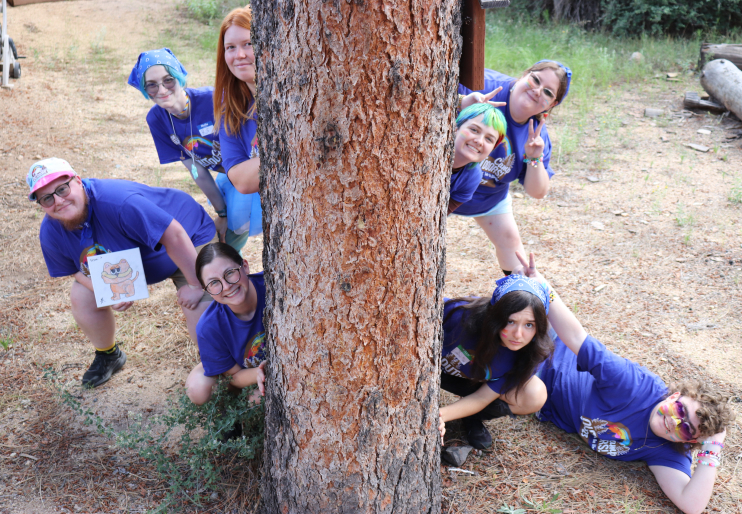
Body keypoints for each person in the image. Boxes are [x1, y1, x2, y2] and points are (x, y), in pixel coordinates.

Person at [513, 252, 733, 514]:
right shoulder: (633, 385)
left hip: (533, 397)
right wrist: (542, 285)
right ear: (676, 395)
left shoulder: (666, 449)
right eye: (682, 410)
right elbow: (575, 336)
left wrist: (714, 445)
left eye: (687, 428)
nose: (675, 422)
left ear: (691, 442)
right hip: (538, 352)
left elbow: (692, 505)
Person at [29, 157, 216, 388]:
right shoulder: (51, 231)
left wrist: (196, 285)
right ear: (40, 205)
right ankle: (108, 354)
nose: (58, 201)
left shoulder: (118, 202)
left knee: (205, 326)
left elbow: (175, 236)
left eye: (62, 188)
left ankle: (223, 372)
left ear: (77, 181)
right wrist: (109, 291)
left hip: (187, 240)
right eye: (47, 198)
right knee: (81, 295)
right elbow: (74, 270)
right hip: (134, 260)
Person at [127, 48, 262, 253]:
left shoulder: (215, 98)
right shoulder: (157, 120)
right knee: (226, 235)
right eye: (151, 86)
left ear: (180, 78)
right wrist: (222, 213)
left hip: (253, 171)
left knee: (239, 223)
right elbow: (197, 171)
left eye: (168, 80)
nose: (162, 90)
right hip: (230, 178)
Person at [454, 61, 572, 274]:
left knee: (518, 259)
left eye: (547, 92)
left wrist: (534, 158)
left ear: (551, 105)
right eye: (535, 80)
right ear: (523, 75)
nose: (537, 91)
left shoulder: (536, 135)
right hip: (443, 188)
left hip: (488, 199)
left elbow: (537, 191)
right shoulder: (482, 84)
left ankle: (531, 301)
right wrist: (462, 102)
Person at [438, 273, 553, 449]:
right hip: (429, 371)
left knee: (535, 394)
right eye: (510, 321)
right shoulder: (461, 316)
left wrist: (438, 417)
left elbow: (482, 397)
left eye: (529, 324)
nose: (518, 334)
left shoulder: (529, 355)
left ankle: (471, 416)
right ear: (495, 316)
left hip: (472, 383)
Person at [185, 243, 266, 406]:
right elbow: (234, 377)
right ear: (207, 291)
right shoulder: (208, 327)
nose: (227, 286)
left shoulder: (277, 286)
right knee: (197, 389)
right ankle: (228, 410)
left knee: (259, 398)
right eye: (214, 283)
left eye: (230, 273)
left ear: (245, 266)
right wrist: (262, 372)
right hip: (244, 372)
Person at [213, 6, 260, 195]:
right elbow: (241, 181)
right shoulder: (231, 108)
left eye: (248, 43)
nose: (239, 55)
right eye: (231, 47)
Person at [448, 103, 507, 215]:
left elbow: (437, 218)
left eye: (489, 139)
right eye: (474, 130)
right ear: (455, 128)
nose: (479, 141)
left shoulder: (473, 177)